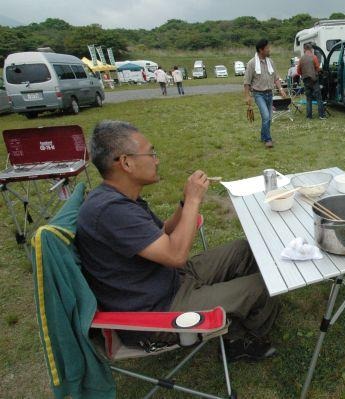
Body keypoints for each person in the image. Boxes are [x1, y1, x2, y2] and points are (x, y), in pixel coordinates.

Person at [76, 120, 280, 361]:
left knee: (246, 250)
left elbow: (162, 231)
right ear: (126, 162)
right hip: (158, 310)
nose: (156, 159)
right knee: (263, 286)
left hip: (167, 280)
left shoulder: (117, 198)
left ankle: (238, 311)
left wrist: (184, 202)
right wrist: (194, 201)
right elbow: (176, 255)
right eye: (151, 153)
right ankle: (245, 339)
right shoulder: (110, 211)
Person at [244, 38, 287, 149]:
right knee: (266, 116)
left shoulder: (270, 62)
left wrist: (281, 89)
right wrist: (247, 96)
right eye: (267, 47)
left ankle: (263, 136)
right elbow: (247, 82)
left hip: (269, 93)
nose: (269, 49)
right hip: (258, 94)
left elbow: (276, 78)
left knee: (268, 118)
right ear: (261, 50)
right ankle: (268, 139)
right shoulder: (251, 63)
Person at [297, 43, 325, 120]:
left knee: (308, 99)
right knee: (319, 98)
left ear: (304, 49)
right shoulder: (314, 57)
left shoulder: (301, 59)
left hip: (306, 81)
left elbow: (298, 71)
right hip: (314, 80)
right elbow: (318, 68)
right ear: (310, 49)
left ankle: (309, 117)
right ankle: (321, 116)